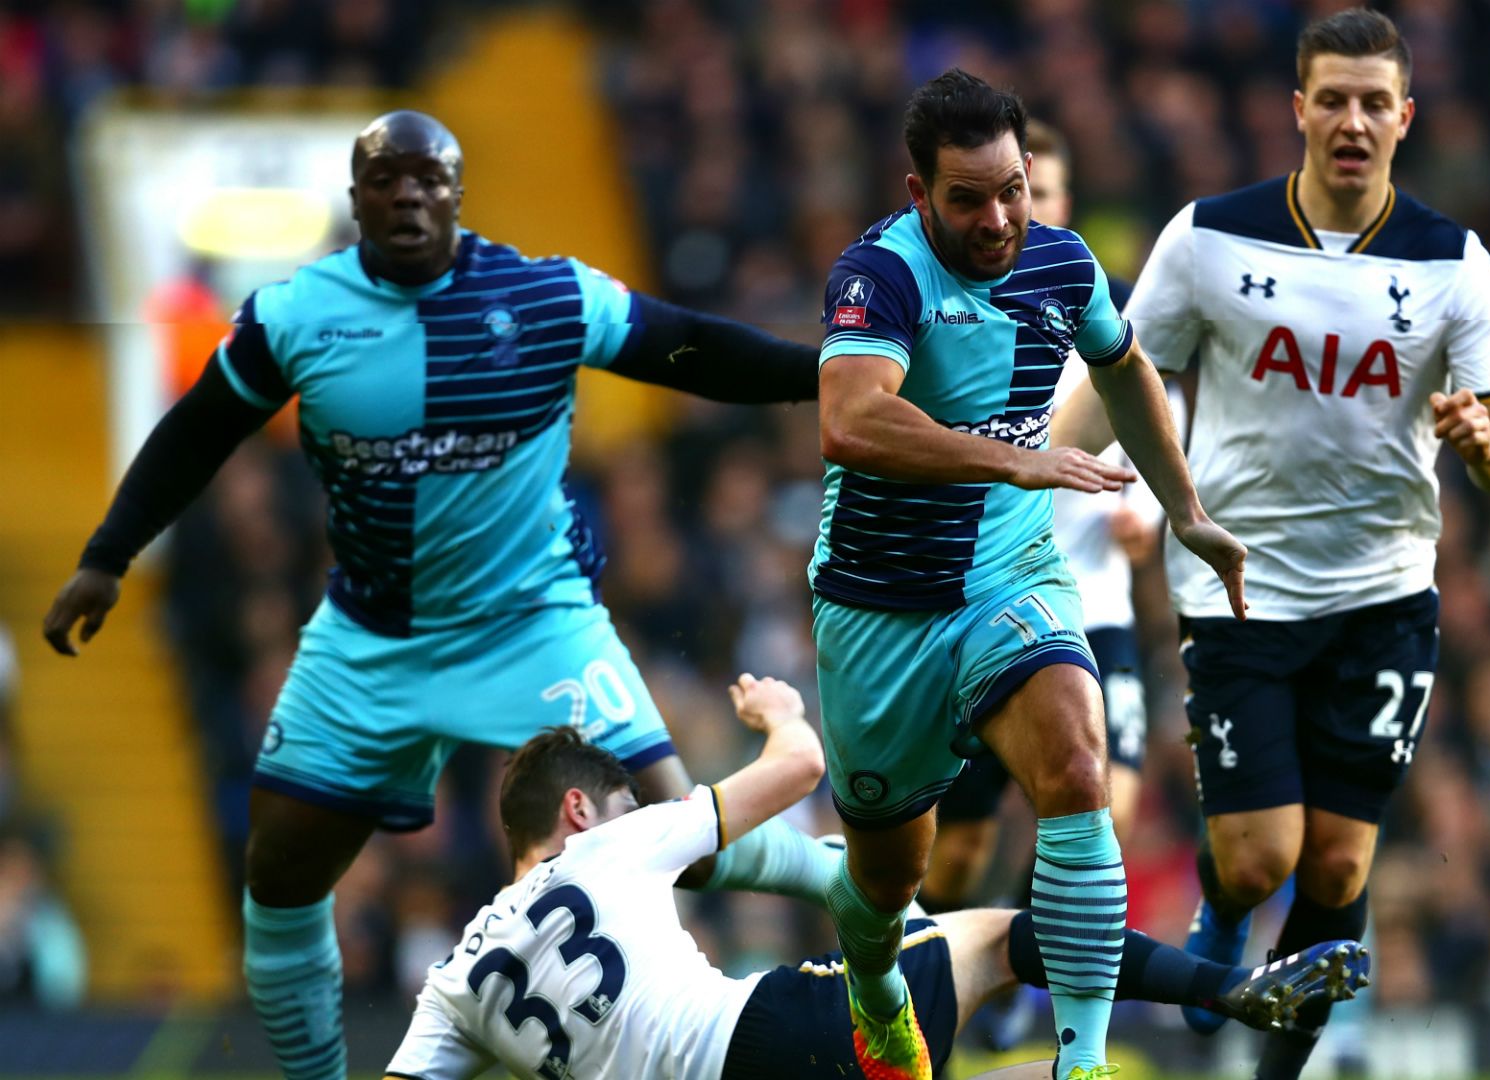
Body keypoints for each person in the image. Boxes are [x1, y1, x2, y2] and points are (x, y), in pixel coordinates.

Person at [40, 111, 842, 1080]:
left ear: (459, 195)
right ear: (356, 200)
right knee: (280, 878)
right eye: (388, 181)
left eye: (430, 180)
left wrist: (821, 377)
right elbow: (200, 427)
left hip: (534, 623)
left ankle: (851, 882)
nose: (410, 196)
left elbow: (689, 349)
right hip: (370, 639)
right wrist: (109, 551)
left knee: (690, 843)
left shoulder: (545, 297)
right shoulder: (295, 315)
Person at [1059, 10, 1490, 1078]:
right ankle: (1226, 911)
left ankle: (1280, 1071)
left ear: (1405, 118)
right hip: (1240, 586)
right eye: (1333, 98)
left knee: (1333, 864)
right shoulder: (1209, 239)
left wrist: (1481, 441)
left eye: (1375, 102)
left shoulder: (1455, 264)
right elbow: (1126, 376)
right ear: (1298, 111)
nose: (1353, 120)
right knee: (1260, 854)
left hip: (1384, 591)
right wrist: (1030, 475)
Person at [811, 70, 1247, 1080]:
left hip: (1013, 577)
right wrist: (1013, 456)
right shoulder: (879, 275)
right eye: (969, 198)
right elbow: (850, 419)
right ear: (918, 192)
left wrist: (1188, 513)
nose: (1000, 217)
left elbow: (1127, 364)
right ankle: (876, 988)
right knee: (891, 879)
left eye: (1012, 188)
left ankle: (1081, 1059)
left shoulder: (1061, 261)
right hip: (881, 612)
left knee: (1078, 770)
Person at [381, 677, 1367, 1080]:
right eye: (627, 807)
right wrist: (776, 712)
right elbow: (801, 772)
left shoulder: (454, 988)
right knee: (998, 935)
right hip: (771, 1046)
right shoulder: (605, 850)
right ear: (578, 811)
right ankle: (1232, 990)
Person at [920, 118, 1165, 912]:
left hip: (1094, 603)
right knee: (958, 848)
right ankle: (936, 981)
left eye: (1040, 193)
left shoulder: (1110, 317)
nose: (1023, 212)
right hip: (991, 604)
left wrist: (1149, 513)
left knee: (1107, 809)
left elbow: (1165, 428)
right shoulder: (960, 310)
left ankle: (1034, 967)